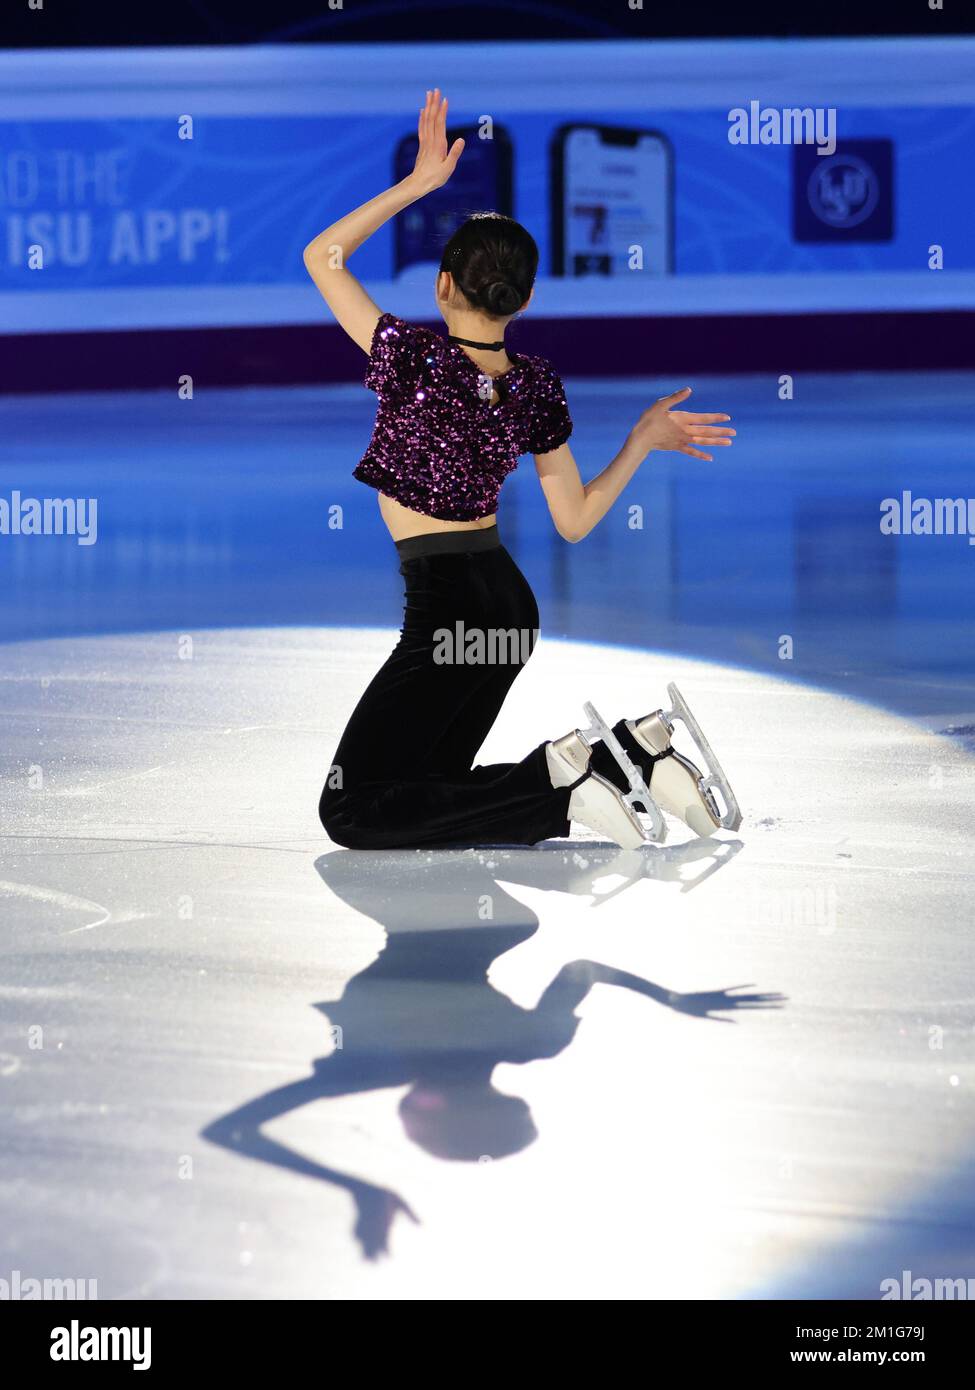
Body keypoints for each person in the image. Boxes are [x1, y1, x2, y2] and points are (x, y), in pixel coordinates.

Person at [303, 89, 738, 851]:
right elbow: (573, 522)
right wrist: (636, 441)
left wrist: (417, 186)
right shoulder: (534, 383)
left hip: (445, 611)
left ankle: (560, 789)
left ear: (443, 284)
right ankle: (634, 756)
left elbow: (323, 256)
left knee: (352, 810)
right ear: (526, 297)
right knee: (424, 790)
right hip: (507, 606)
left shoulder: (410, 358)